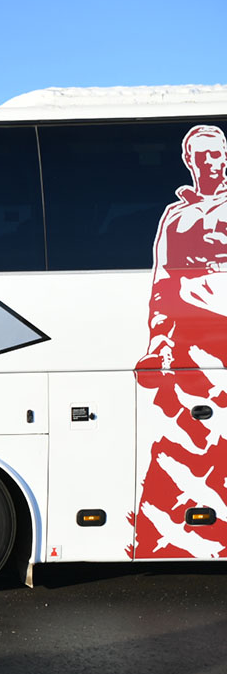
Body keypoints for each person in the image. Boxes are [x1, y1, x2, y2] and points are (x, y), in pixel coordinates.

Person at [135, 124, 227, 557]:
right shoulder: (175, 216)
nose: (215, 162)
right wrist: (158, 343)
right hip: (188, 349)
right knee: (178, 447)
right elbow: (162, 285)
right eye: (205, 155)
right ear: (190, 161)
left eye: (220, 153)